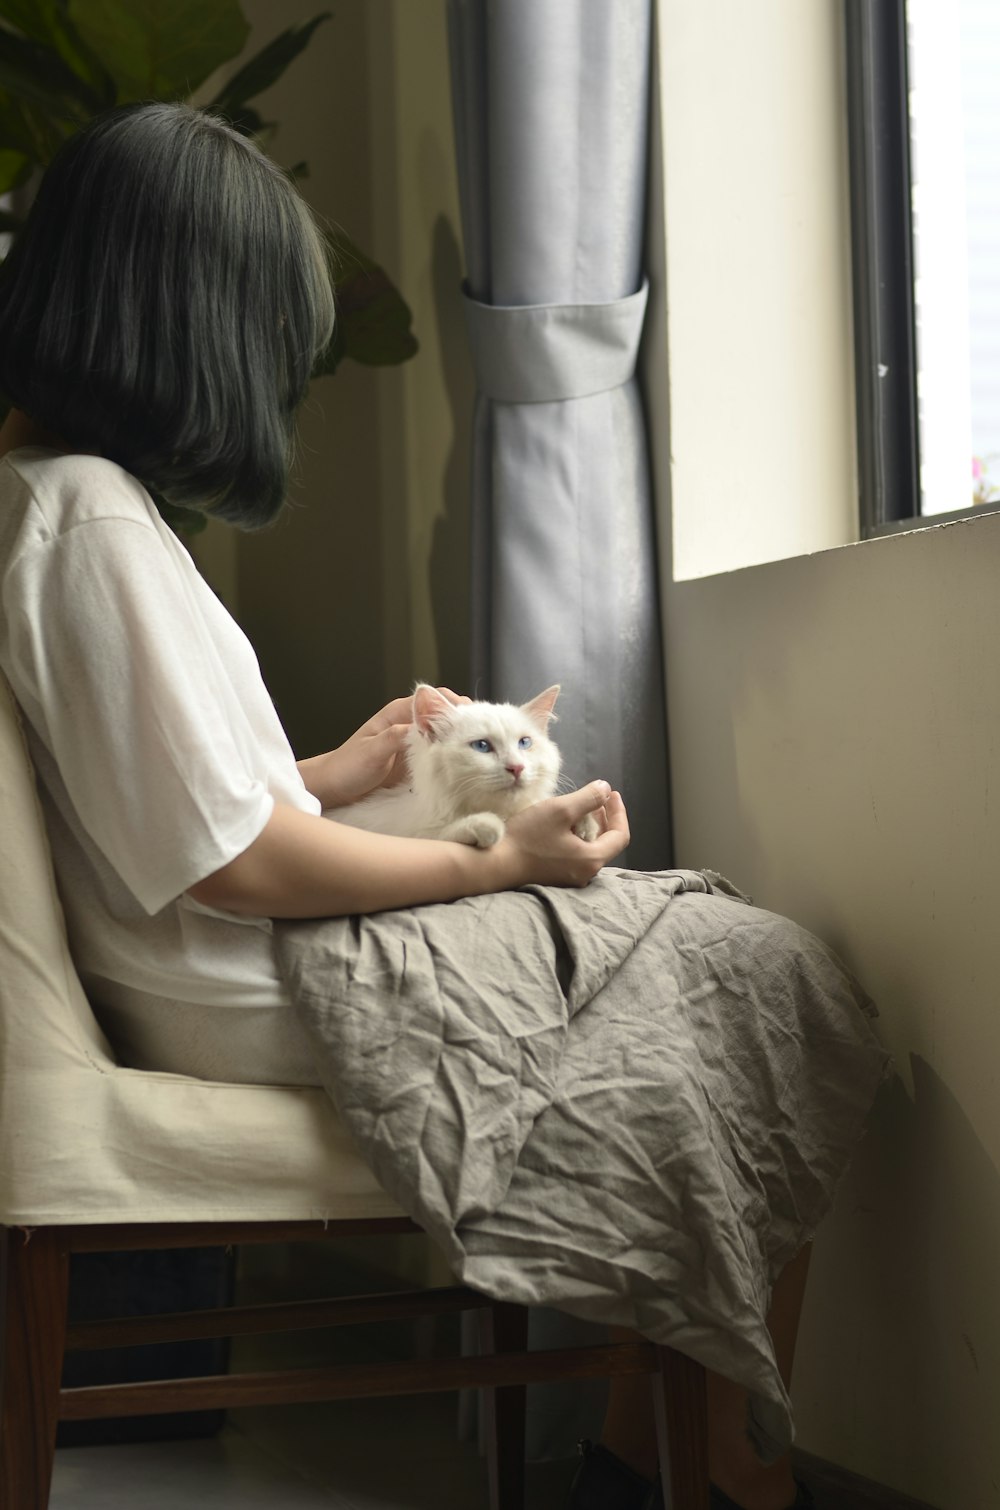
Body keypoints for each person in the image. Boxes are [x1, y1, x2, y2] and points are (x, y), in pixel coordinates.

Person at [0, 104, 817, 1510]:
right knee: (769, 972)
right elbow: (240, 864)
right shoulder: (93, 526)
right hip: (264, 979)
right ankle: (700, 1454)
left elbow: (170, 805)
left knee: (726, 962)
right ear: (193, 323)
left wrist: (335, 770)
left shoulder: (57, 505)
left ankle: (653, 1431)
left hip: (242, 952)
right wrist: (488, 867)